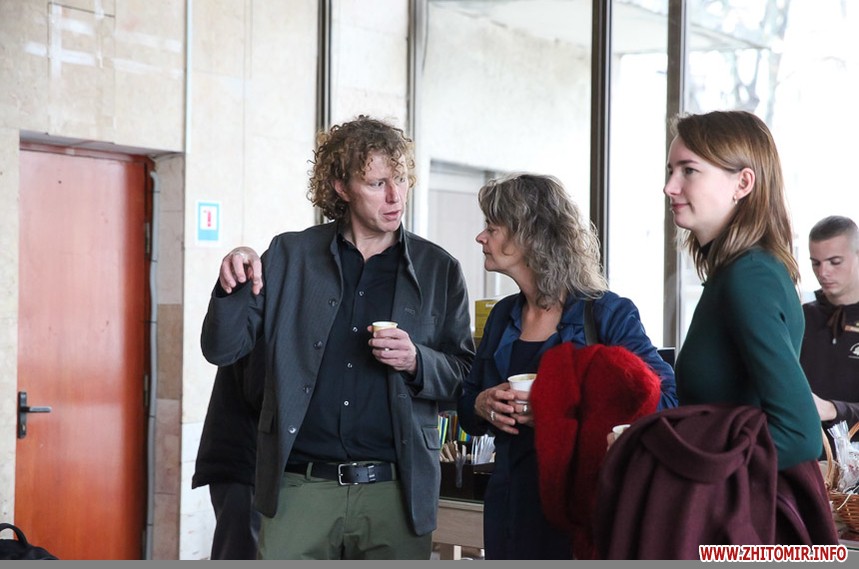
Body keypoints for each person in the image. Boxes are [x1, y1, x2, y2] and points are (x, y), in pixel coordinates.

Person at [200, 115, 475, 560]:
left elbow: (465, 376)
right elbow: (222, 348)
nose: (395, 196)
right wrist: (235, 281)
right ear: (341, 187)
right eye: (377, 183)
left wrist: (416, 360)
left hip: (395, 493)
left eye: (401, 180)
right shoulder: (289, 255)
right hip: (299, 489)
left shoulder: (438, 268)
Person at [456, 173, 676, 560]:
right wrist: (481, 404)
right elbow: (467, 405)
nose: (481, 237)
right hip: (509, 507)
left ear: (530, 235)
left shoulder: (607, 314)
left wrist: (557, 412)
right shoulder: (502, 315)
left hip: (580, 511)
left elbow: (665, 403)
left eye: (491, 227)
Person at [664, 110, 822, 471]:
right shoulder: (739, 270)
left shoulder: (748, 275)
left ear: (743, 183)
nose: (670, 187)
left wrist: (671, 461)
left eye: (689, 171)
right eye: (670, 171)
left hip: (743, 501)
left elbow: (800, 435)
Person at [191, 347, 263, 560]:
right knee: (242, 552)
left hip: (244, 462)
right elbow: (262, 391)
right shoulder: (266, 329)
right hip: (245, 463)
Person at [800, 215, 859, 434]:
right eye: (815, 263)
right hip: (803, 450)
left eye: (835, 262)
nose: (823, 273)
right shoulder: (800, 317)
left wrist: (833, 409)